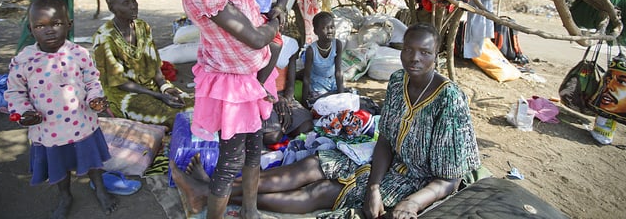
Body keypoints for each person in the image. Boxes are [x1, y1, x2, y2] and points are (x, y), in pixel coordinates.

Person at [171, 23, 481, 218]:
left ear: (436, 56)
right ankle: (213, 189)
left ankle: (209, 192)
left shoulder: (449, 99)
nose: (415, 58)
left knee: (321, 192)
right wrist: (373, 185)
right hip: (381, 161)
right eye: (409, 50)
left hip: (416, 181)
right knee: (308, 167)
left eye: (425, 53)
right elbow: (385, 138)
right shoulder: (399, 81)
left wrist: (411, 204)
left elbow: (449, 178)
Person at [180, 0, 281, 219]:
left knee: (255, 151)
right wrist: (276, 24)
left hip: (251, 78)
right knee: (230, 161)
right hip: (233, 83)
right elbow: (253, 37)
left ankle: (250, 212)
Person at [4, 0, 118, 218]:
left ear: (69, 24)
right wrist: (25, 113)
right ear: (31, 29)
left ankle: (100, 189)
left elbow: (92, 81)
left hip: (83, 124)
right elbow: (15, 92)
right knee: (60, 167)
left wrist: (95, 99)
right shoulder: (24, 60)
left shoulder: (79, 54)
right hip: (48, 130)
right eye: (40, 26)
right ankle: (65, 196)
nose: (49, 31)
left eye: (56, 23)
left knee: (93, 162)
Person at [91, 0, 193, 130]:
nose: (133, 6)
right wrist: (158, 96)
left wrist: (164, 87)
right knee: (172, 116)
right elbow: (120, 83)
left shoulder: (142, 27)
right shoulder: (104, 39)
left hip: (152, 87)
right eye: (126, 3)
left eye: (134, 1)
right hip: (124, 95)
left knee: (194, 106)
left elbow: (154, 63)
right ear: (112, 8)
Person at [302, 11, 344, 106]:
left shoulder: (337, 44)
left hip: (333, 80)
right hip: (318, 82)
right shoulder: (311, 50)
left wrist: (342, 96)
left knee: (348, 96)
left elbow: (338, 72)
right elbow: (306, 77)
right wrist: (304, 101)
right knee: (322, 103)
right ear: (315, 31)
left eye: (332, 27)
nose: (330, 31)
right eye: (325, 28)